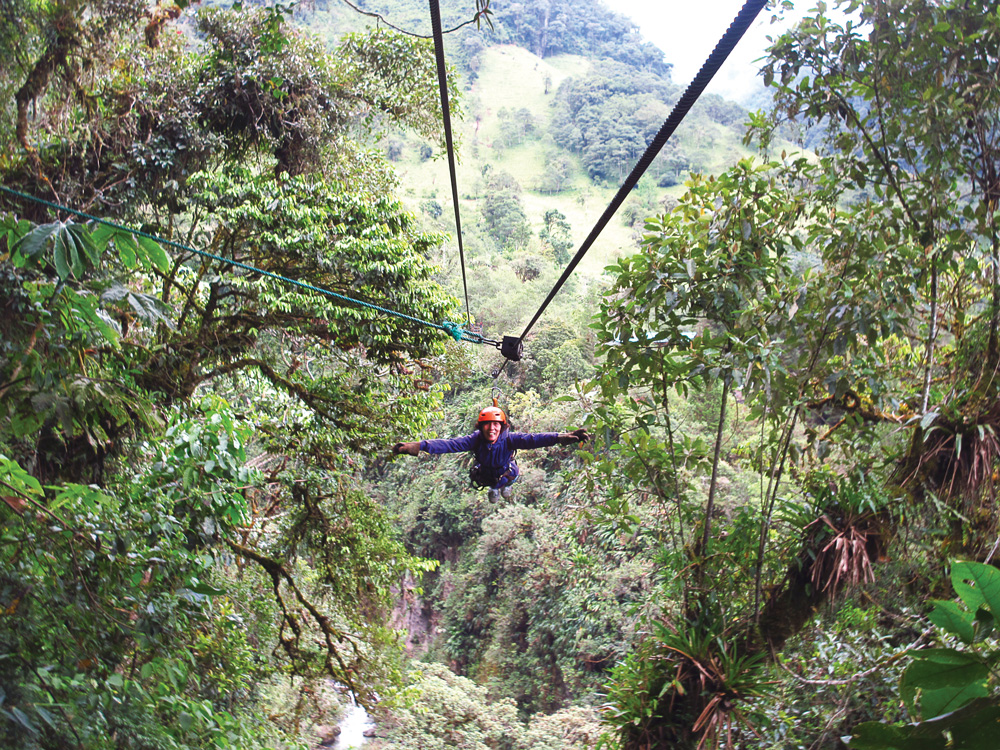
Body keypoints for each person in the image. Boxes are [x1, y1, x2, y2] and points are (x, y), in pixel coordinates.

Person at [392, 405, 589, 501]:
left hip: (507, 470)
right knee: (492, 483)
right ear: (482, 427)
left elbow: (535, 439)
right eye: (488, 425)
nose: (492, 429)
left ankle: (503, 488)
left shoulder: (511, 439)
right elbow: (449, 445)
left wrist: (561, 437)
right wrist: (418, 446)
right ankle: (496, 489)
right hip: (486, 473)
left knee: (509, 478)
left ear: (502, 427)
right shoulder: (475, 440)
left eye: (496, 424)